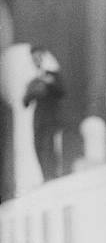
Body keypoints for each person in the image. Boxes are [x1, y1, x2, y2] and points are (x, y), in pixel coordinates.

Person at [23, 45, 65, 180]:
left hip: (52, 117)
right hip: (39, 118)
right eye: (34, 58)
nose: (37, 61)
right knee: (38, 147)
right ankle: (45, 177)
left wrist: (50, 83)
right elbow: (25, 102)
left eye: (39, 57)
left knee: (49, 148)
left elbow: (62, 92)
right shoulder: (34, 79)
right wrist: (31, 91)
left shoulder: (54, 75)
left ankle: (53, 177)